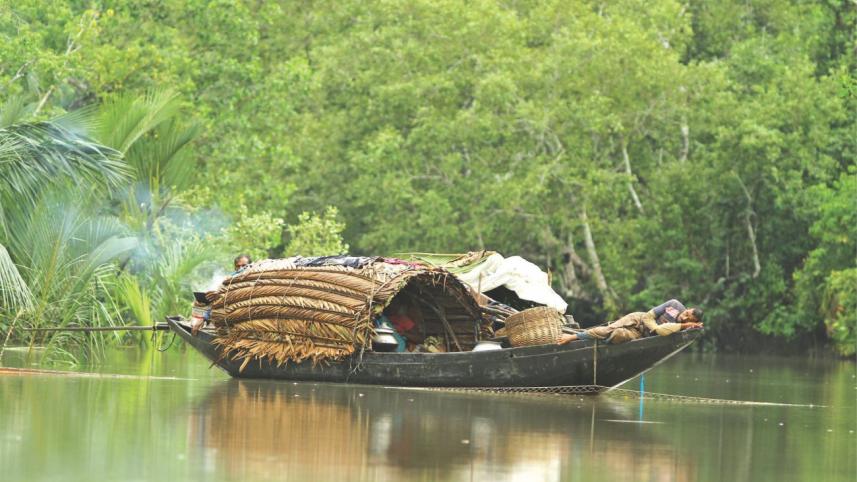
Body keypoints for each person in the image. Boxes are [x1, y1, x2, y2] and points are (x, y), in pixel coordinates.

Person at [557, 300, 703, 345]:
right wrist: (656, 328)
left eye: (689, 320)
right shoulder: (674, 305)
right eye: (686, 314)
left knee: (617, 335)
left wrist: (688, 327)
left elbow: (666, 331)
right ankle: (571, 337)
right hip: (638, 319)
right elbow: (647, 317)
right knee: (610, 329)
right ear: (688, 309)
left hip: (640, 335)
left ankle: (596, 341)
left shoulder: (683, 328)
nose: (685, 318)